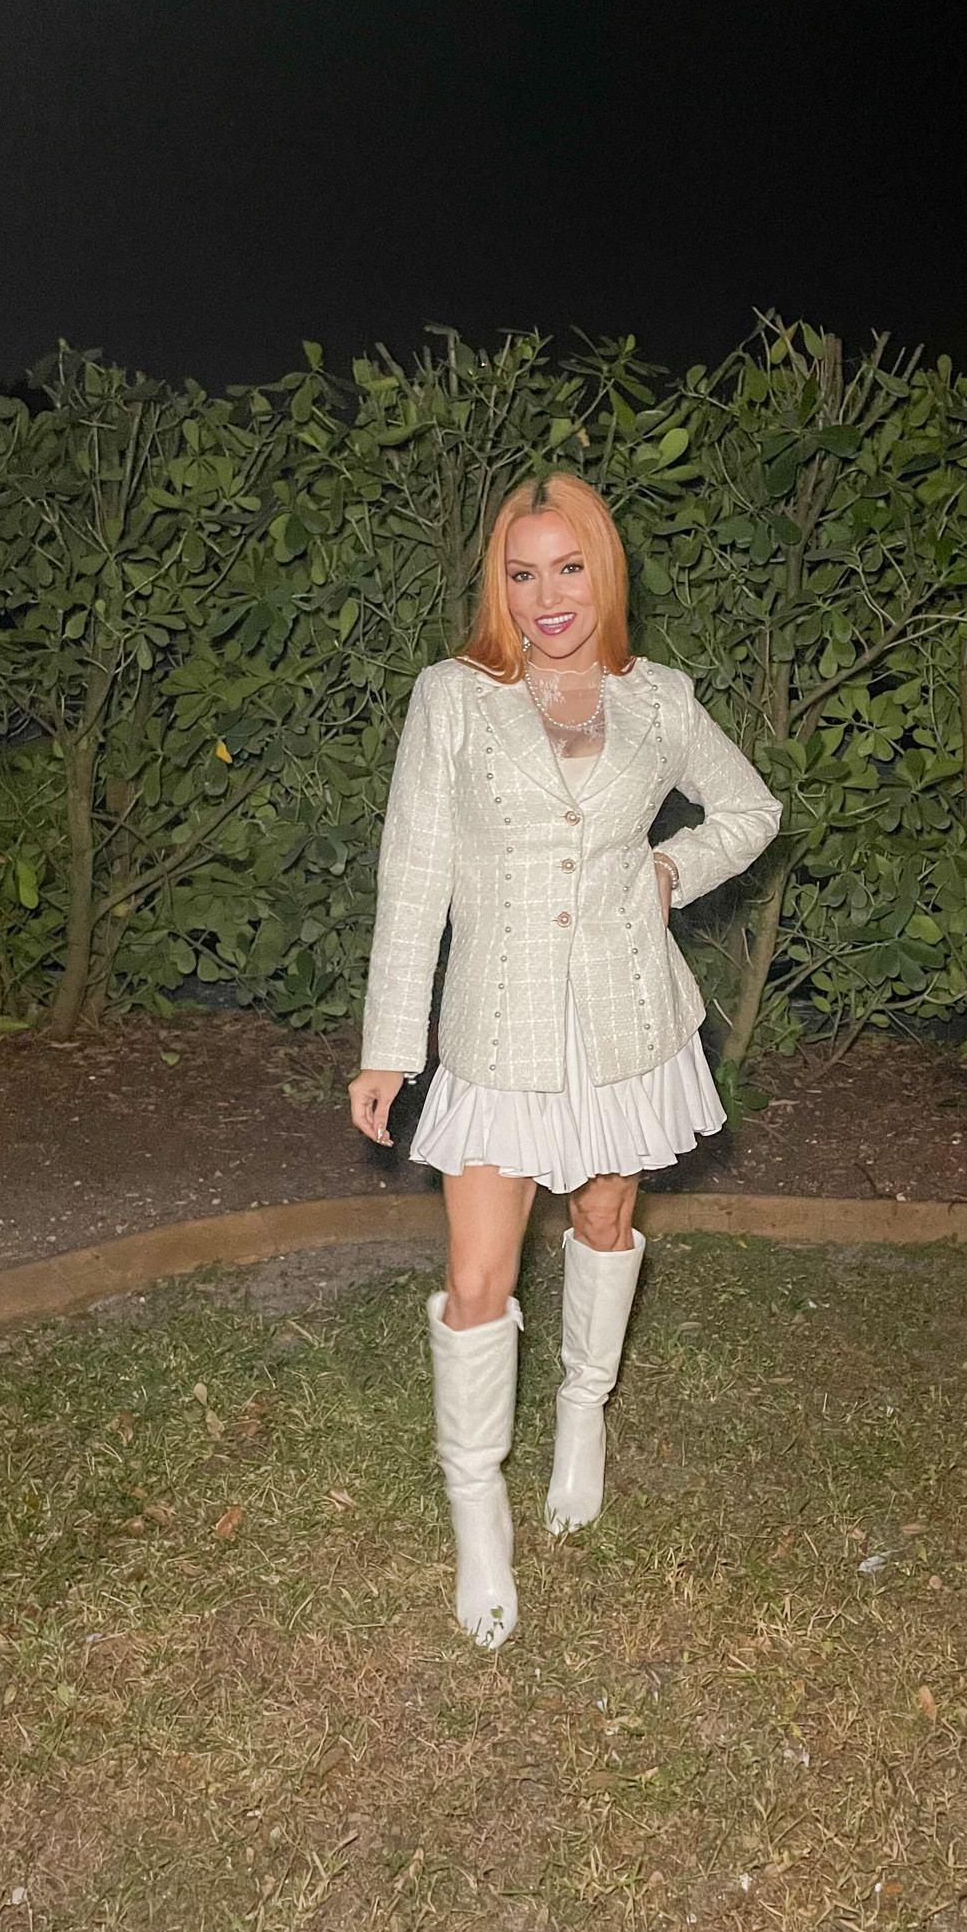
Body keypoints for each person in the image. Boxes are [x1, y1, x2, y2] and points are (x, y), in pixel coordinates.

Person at [348, 473, 782, 1648]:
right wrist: (391, 1042)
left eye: (568, 567)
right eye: (523, 571)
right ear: (501, 580)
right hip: (495, 1026)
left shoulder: (661, 700)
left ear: (604, 568)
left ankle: (583, 1413)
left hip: (625, 1021)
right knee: (478, 1276)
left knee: (603, 1221)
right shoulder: (452, 698)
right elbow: (414, 877)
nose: (547, 595)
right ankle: (476, 1503)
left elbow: (750, 810)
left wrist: (669, 872)